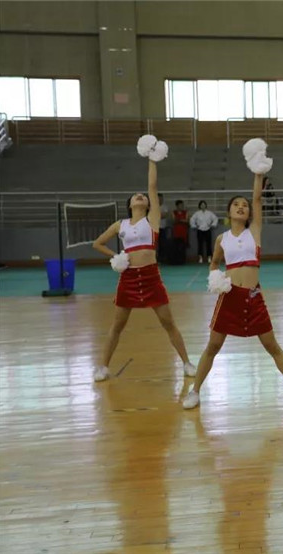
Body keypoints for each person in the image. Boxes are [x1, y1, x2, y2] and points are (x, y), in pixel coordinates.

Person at [183, 143, 283, 409]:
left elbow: (258, 198)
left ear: (249, 213)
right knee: (213, 346)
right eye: (236, 205)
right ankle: (195, 391)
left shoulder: (255, 231)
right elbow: (214, 263)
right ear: (229, 212)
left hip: (253, 296)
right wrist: (215, 278)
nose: (241, 207)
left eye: (244, 205)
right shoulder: (221, 239)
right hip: (229, 298)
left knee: (272, 345)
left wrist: (258, 172)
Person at [91, 142, 195, 382]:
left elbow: (152, 186)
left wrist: (152, 159)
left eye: (143, 196)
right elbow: (97, 243)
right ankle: (103, 367)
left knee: (168, 323)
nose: (140, 196)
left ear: (148, 204)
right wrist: (116, 256)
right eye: (135, 196)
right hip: (128, 279)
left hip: (151, 277)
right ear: (130, 205)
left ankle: (187, 363)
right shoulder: (120, 225)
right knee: (117, 326)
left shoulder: (152, 220)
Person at [171, 200, 189, 264]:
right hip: (176, 232)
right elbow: (173, 221)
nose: (181, 206)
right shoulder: (174, 212)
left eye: (182, 205)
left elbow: (187, 221)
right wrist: (182, 220)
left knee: (183, 246)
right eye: (180, 205)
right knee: (176, 246)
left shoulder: (185, 212)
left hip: (183, 231)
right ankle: (176, 260)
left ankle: (182, 260)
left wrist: (179, 220)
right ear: (177, 206)